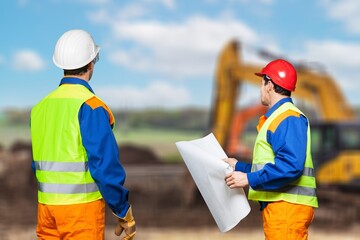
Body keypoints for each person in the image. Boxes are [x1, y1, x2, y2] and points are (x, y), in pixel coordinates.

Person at [30, 29, 136, 240]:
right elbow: (104, 165)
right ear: (91, 63)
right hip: (80, 213)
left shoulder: (40, 107)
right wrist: (122, 210)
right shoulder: (91, 106)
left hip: (46, 210)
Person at [224, 59, 318, 240]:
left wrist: (248, 178)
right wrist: (239, 167)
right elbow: (270, 165)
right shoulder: (279, 118)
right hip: (283, 209)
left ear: (269, 84)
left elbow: (291, 166)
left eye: (262, 83)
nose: (260, 88)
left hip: (286, 209)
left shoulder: (287, 118)